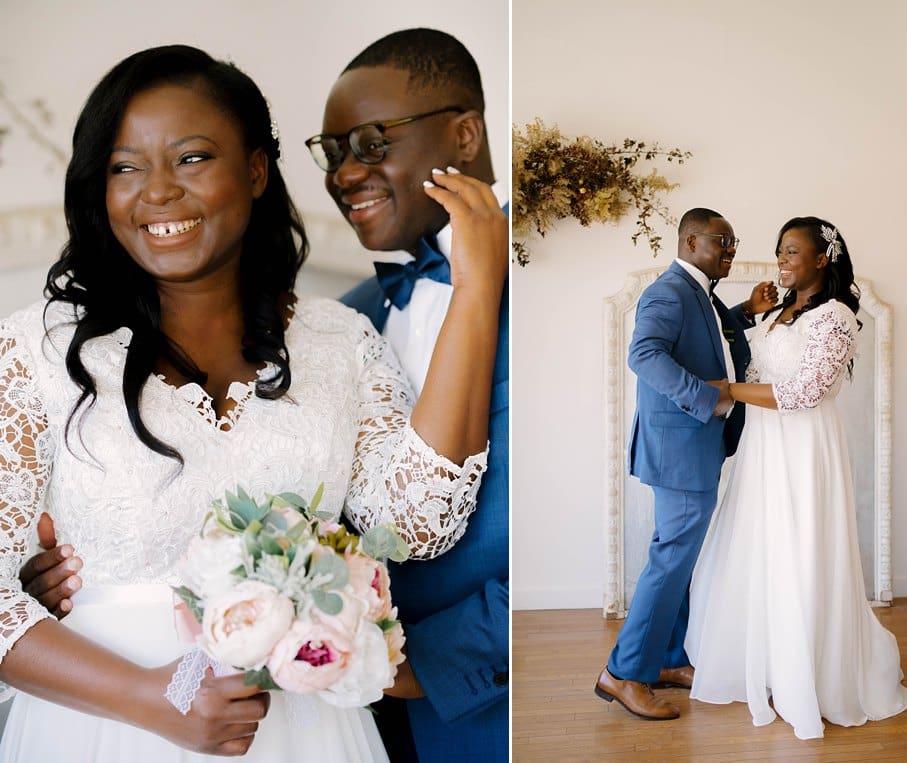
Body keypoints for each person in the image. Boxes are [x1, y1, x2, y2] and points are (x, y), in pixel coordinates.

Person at [0, 43, 505, 762]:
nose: (157, 192)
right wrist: (154, 697)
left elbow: (414, 526)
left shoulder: (340, 341)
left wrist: (476, 287)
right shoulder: (40, 353)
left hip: (308, 733)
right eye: (124, 166)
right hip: (105, 730)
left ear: (257, 170)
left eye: (192, 157)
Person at [305, 28, 509, 763]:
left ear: (464, 132)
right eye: (331, 151)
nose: (344, 172)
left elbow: (597, 521)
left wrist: (433, 663)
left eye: (369, 140)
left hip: (487, 710)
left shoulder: (550, 283)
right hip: (340, 712)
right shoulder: (345, 317)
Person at [684, 216, 907, 739]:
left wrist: (727, 390)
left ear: (821, 260)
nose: (782, 259)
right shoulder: (779, 312)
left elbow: (806, 392)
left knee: (800, 546)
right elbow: (756, 363)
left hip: (804, 447)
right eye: (781, 250)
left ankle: (809, 670)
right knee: (761, 546)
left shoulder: (835, 317)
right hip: (764, 447)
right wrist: (751, 314)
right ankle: (764, 660)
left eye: (791, 252)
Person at [595, 208, 777, 720]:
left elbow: (708, 340)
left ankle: (667, 660)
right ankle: (623, 674)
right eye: (722, 242)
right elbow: (645, 354)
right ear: (692, 240)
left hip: (692, 449)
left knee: (678, 557)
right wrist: (708, 399)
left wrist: (744, 310)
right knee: (670, 559)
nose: (730, 251)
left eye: (734, 243)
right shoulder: (669, 291)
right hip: (680, 448)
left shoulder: (700, 294)